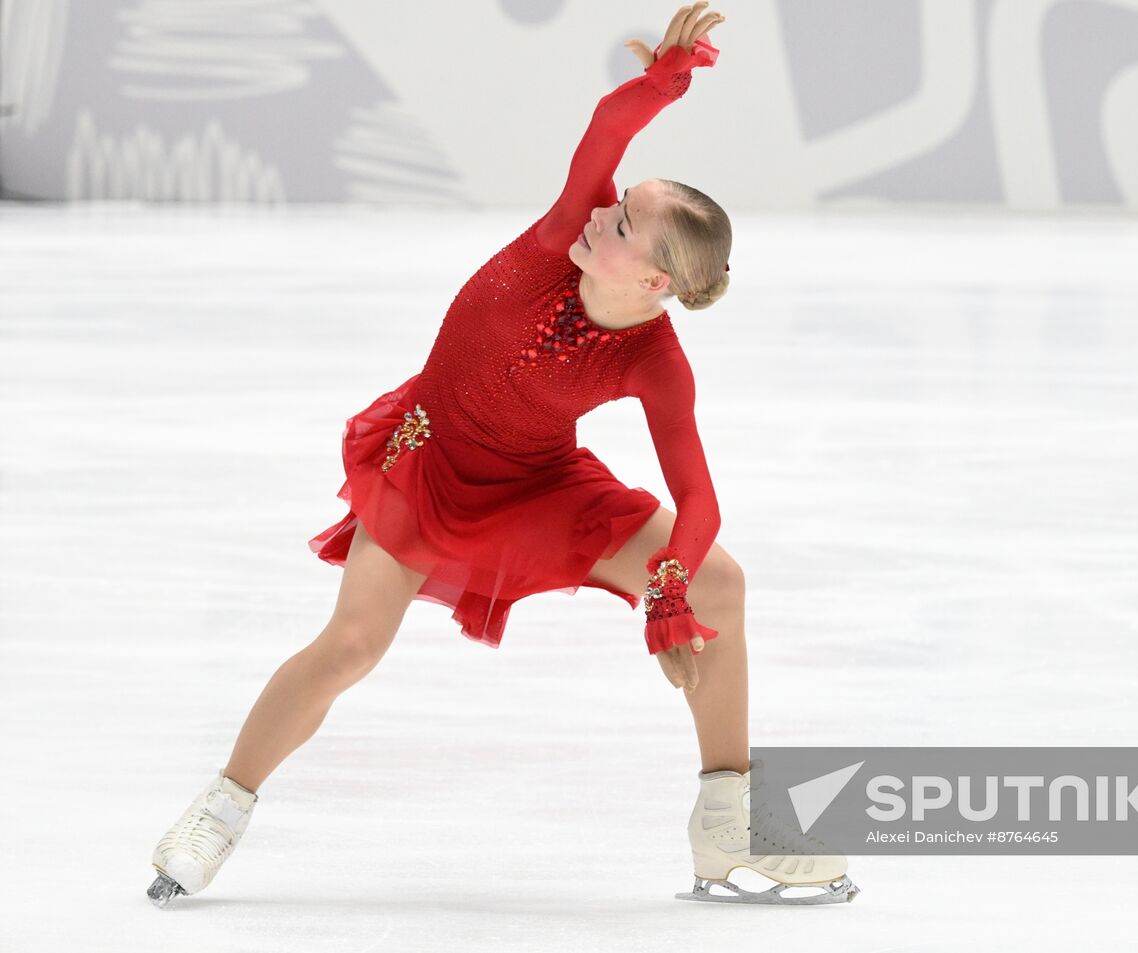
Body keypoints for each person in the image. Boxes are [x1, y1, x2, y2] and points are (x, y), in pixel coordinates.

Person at [147, 2, 857, 907]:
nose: (608, 207)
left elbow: (698, 495)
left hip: (538, 482)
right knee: (352, 645)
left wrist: (672, 585)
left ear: (654, 281)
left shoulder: (656, 363)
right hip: (429, 463)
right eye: (620, 200)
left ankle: (727, 821)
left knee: (721, 581)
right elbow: (605, 130)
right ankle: (221, 806)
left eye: (628, 220)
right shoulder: (564, 235)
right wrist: (666, 82)